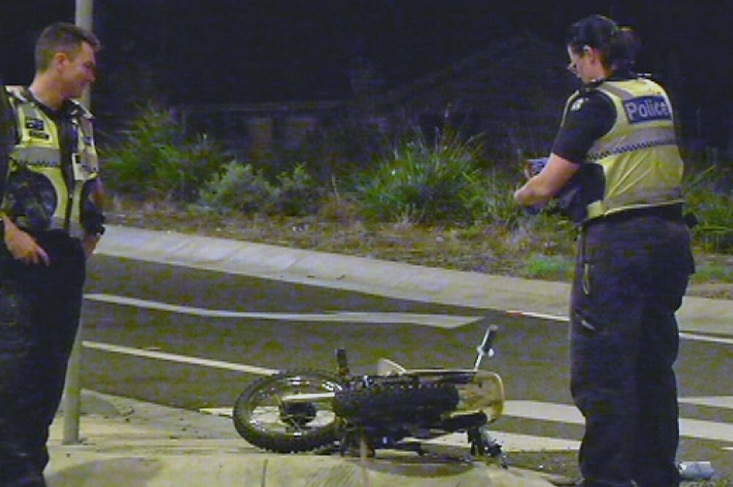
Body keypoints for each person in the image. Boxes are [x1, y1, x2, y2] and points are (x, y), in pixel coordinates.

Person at [513, 14, 694, 487]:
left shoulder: (592, 103)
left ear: (589, 56)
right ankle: (656, 475)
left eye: (575, 63)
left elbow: (549, 184)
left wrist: (523, 194)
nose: (575, 72)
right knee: (653, 366)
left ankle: (606, 479)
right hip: (670, 240)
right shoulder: (655, 94)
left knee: (602, 370)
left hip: (617, 246)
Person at [0, 22, 105, 486]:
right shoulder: (9, 109)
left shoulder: (79, 119)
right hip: (15, 258)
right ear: (59, 60)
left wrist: (91, 231)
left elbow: (90, 182)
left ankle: (28, 469)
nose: (91, 76)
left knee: (47, 374)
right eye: (87, 64)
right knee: (16, 370)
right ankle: (16, 474)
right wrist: (9, 233)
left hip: (63, 260)